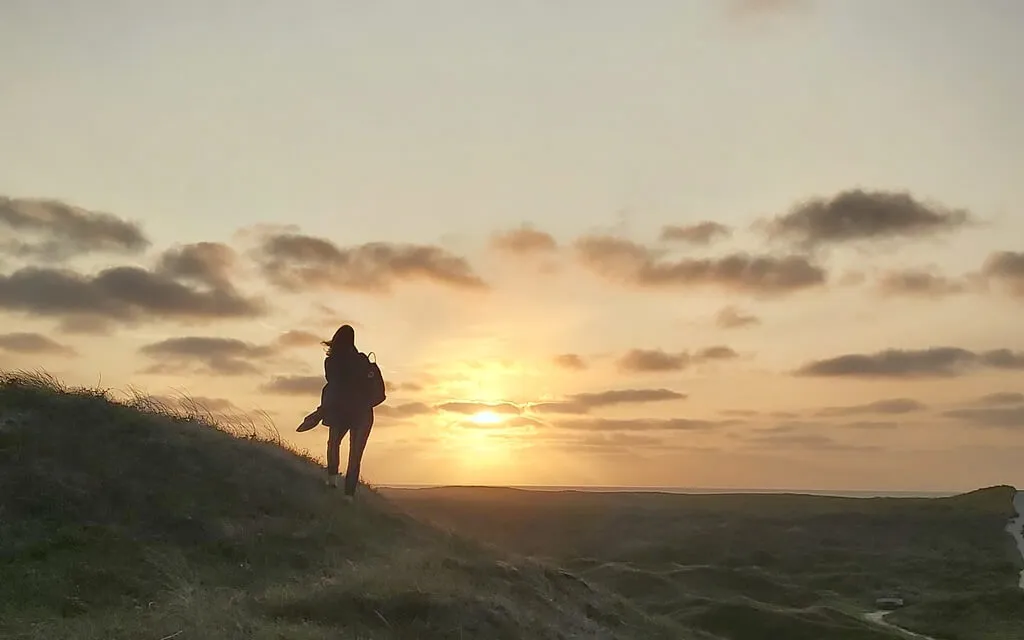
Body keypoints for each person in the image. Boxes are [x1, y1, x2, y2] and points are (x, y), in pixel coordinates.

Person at [297, 324, 376, 499]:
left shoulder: (331, 362)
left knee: (333, 443)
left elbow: (332, 384)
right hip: (363, 412)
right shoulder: (362, 360)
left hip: (340, 409)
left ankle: (332, 481)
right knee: (355, 456)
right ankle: (349, 496)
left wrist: (323, 410)